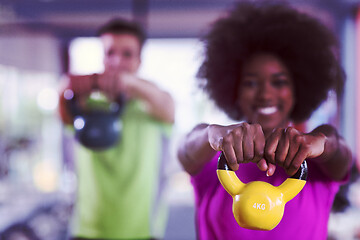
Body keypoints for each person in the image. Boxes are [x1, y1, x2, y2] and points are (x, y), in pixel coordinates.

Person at [177, 2, 353, 240]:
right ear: (234, 90)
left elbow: (340, 154)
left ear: (298, 89)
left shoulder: (316, 163)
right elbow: (185, 151)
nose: (265, 94)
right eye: (251, 82)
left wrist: (322, 141)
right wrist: (210, 134)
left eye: (279, 82)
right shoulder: (215, 160)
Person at [58, 18, 175, 240]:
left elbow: (168, 106)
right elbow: (61, 106)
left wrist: (127, 82)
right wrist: (81, 83)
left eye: (127, 54)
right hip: (86, 232)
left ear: (139, 60)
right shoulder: (86, 106)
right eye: (110, 52)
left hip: (142, 234)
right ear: (102, 57)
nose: (116, 60)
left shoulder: (152, 107)